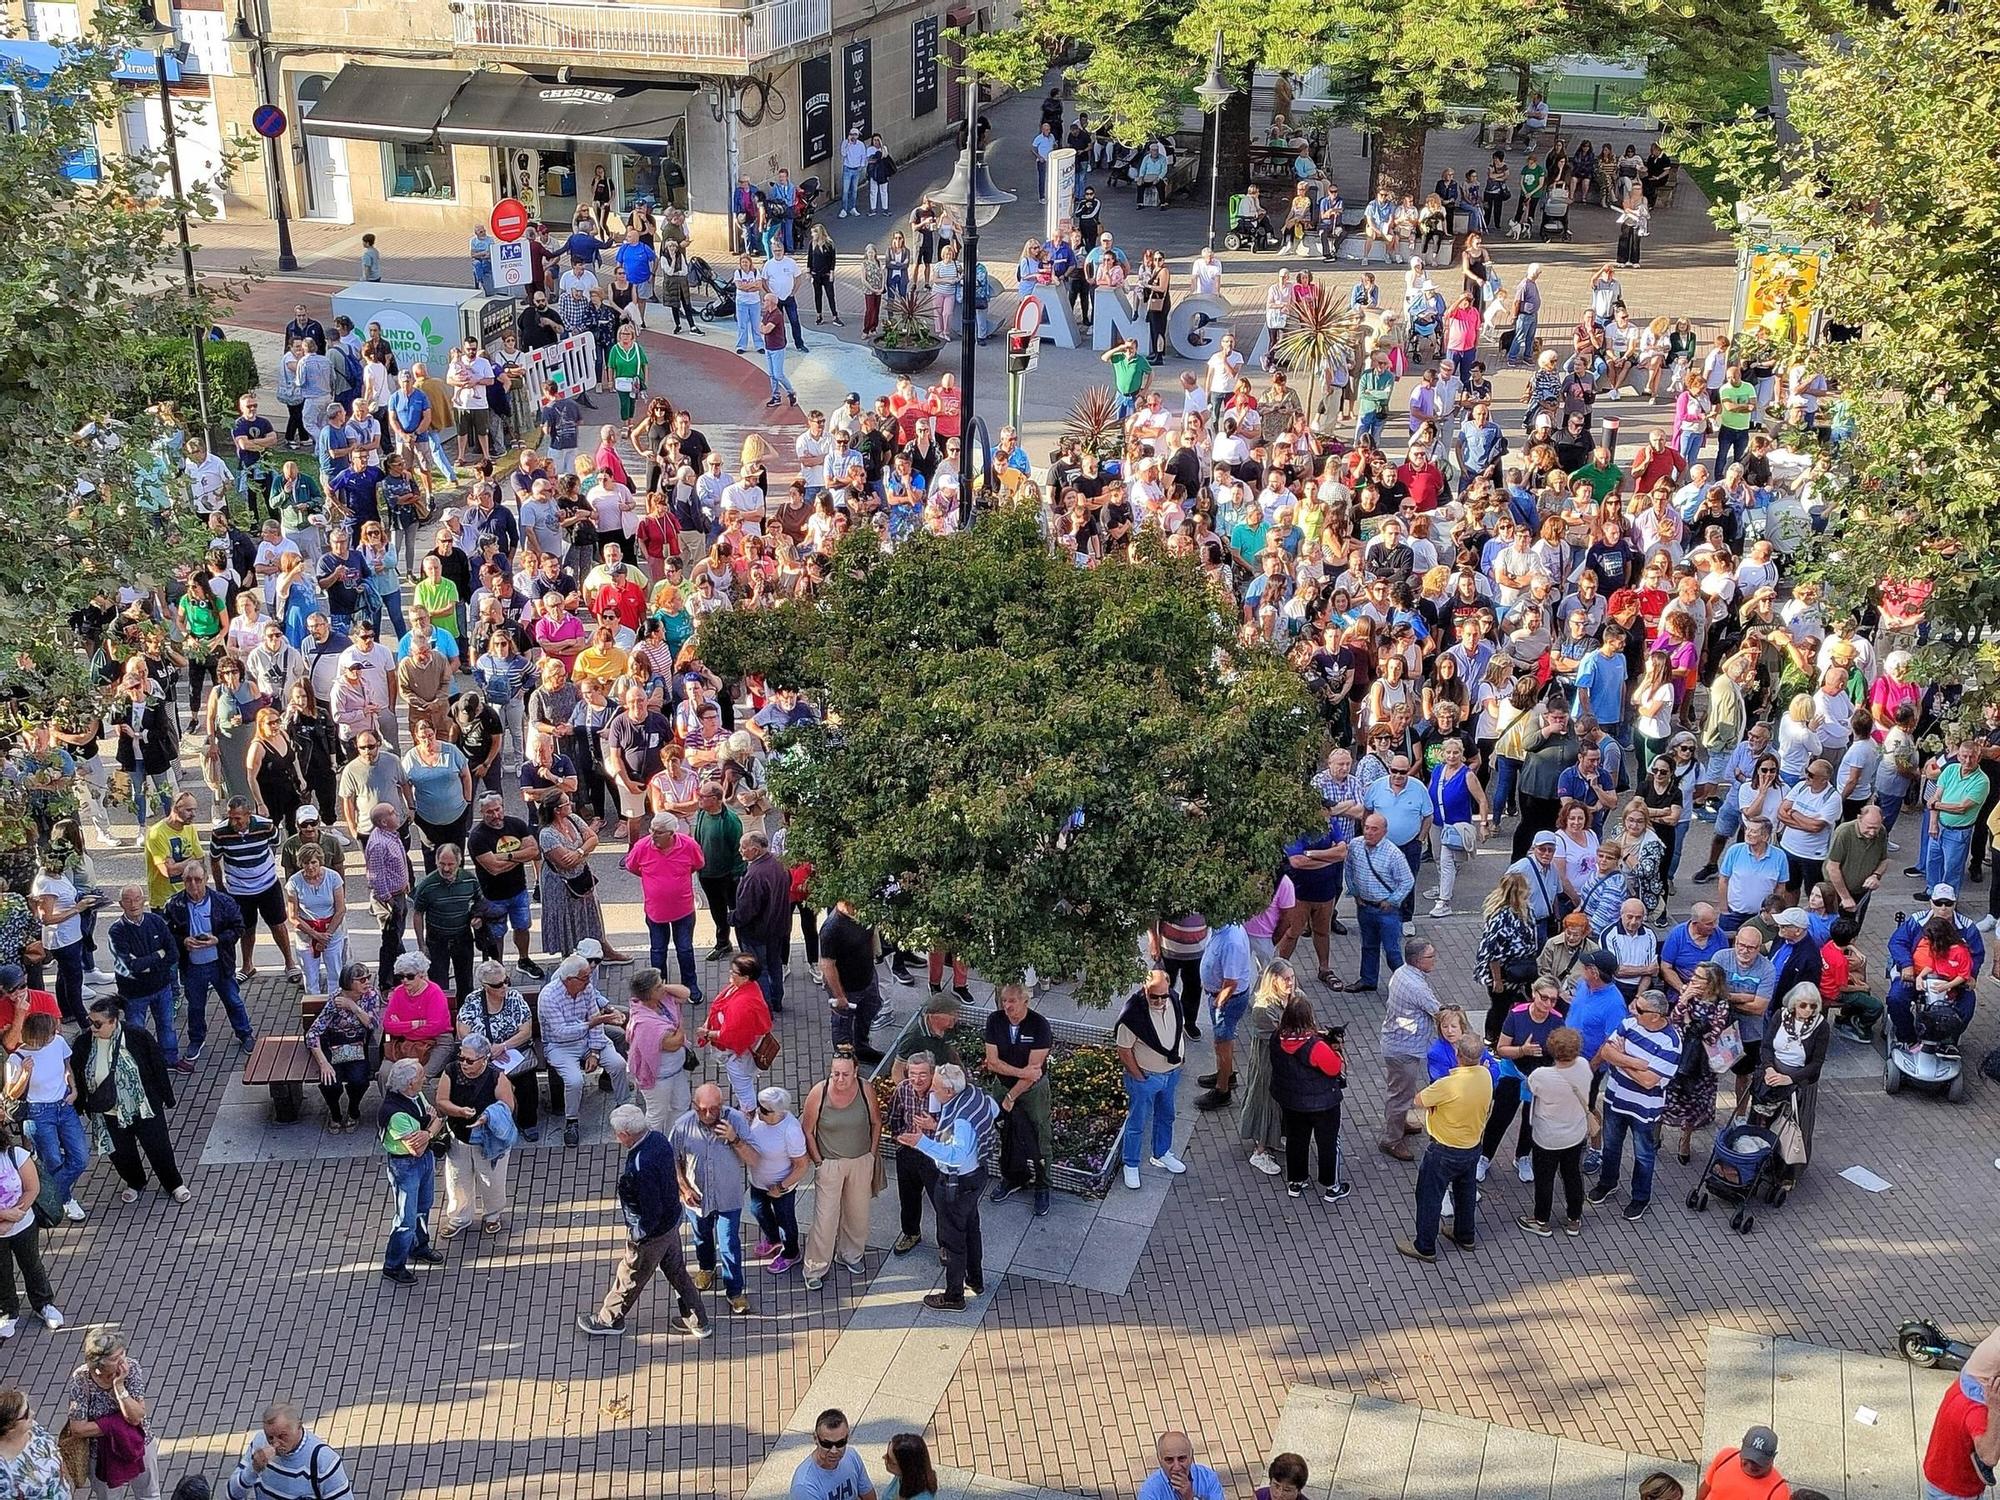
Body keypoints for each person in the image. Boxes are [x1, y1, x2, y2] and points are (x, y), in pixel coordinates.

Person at [577, 1103, 712, 1339]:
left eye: (617, 1133)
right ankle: (698, 1321)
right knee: (677, 1272)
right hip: (671, 1221)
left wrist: (638, 1235)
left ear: (625, 1134)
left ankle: (609, 1319)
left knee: (630, 1274)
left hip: (652, 1234)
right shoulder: (658, 1140)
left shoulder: (640, 1166)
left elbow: (651, 1211)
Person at [75, 999, 187, 1207]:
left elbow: (157, 1067)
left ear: (113, 1021)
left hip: (142, 1107)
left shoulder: (137, 1036)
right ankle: (135, 1182)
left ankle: (174, 1183)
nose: (92, 1028)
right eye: (90, 1022)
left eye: (98, 1023)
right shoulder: (83, 1043)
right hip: (108, 1112)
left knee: (158, 1147)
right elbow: (78, 1074)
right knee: (121, 1153)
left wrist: (166, 1098)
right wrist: (81, 1104)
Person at [1397, 1030, 1494, 1261]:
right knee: (1466, 1192)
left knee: (1429, 1196)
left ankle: (1425, 1246)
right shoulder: (1485, 1075)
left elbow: (1418, 1100)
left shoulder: (1448, 1085)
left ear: (1458, 1055)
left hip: (1444, 1150)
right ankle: (1465, 1235)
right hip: (1472, 1146)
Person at [1588, 988, 1683, 1221]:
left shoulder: (1671, 1043)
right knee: (1611, 1146)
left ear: (1656, 1016)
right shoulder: (1629, 1024)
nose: (1633, 1011)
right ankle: (1607, 1183)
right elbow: (1606, 1051)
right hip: (1615, 1098)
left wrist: (1622, 1060)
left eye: (1639, 1009)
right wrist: (1636, 1063)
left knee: (1643, 1154)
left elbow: (1649, 1081)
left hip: (1644, 1108)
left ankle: (1640, 1197)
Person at [669, 1082, 759, 1316]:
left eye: (714, 1109)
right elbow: (673, 1161)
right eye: (703, 1110)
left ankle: (735, 1291)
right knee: (701, 1237)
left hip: (728, 1197)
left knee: (729, 1243)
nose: (709, 1115)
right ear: (694, 1106)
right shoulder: (682, 1126)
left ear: (723, 1104)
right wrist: (684, 1189)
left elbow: (754, 1159)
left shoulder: (736, 1120)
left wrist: (734, 1139)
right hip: (696, 1198)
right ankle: (706, 1268)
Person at [800, 1048, 880, 1290]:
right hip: (830, 1164)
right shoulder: (819, 1092)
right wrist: (819, 1162)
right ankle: (815, 1267)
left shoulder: (866, 1089)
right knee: (825, 1219)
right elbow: (807, 1130)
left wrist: (871, 1155)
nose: (840, 1079)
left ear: (855, 1072)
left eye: (845, 1074)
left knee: (858, 1215)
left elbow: (876, 1122)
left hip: (860, 1161)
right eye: (835, 1073)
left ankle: (850, 1255)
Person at [537, 955, 630, 1147]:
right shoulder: (548, 997)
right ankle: (571, 1121)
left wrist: (594, 1052)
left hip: (588, 1039)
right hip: (560, 1046)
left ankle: (624, 1106)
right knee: (574, 1080)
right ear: (569, 979)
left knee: (618, 1064)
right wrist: (592, 1023)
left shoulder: (586, 988)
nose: (589, 981)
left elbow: (595, 1020)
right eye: (585, 977)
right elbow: (561, 1032)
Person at [61, 1328, 161, 1500]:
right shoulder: (81, 1379)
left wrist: (119, 1386)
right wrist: (117, 1424)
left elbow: (136, 1417)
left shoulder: (131, 1368)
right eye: (115, 1358)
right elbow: (78, 1429)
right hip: (102, 1454)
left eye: (123, 1353)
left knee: (149, 1495)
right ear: (98, 1364)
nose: (122, 1361)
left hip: (138, 1443)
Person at [1269, 994, 1349, 1202]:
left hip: (1291, 1102)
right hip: (1323, 1105)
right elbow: (1334, 1068)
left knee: (1296, 1139)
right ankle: (1332, 1186)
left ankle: (1296, 1182)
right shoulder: (1316, 1047)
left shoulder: (1277, 1038)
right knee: (1328, 1143)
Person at [983, 982, 1053, 1215]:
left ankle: (1042, 1184)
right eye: (1004, 1001)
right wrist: (1020, 1073)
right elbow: (992, 1063)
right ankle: (1012, 1178)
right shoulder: (995, 1021)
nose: (1007, 1006)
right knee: (1006, 1133)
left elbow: (1035, 1072)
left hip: (1032, 1091)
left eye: (1012, 1001)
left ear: (1026, 1001)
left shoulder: (1039, 1025)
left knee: (1039, 1134)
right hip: (1002, 1086)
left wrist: (1012, 1095)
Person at [377, 1056, 448, 1284]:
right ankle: (393, 1265)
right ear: (409, 1083)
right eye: (420, 1076)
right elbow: (417, 1148)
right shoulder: (395, 1114)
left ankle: (419, 1246)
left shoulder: (415, 1095)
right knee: (405, 1219)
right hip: (405, 1166)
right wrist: (431, 1130)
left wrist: (427, 1132)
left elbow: (435, 1116)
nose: (424, 1079)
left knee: (424, 1206)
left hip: (424, 1160)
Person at [1114, 969, 1186, 1190]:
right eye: (1154, 996)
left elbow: (1178, 1029)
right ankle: (1131, 1164)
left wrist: (1181, 1058)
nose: (1160, 1001)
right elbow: (1124, 1050)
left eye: (1164, 995)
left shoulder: (1173, 999)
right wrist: (1139, 1076)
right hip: (1146, 1077)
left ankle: (1162, 1153)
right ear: (1145, 990)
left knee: (1167, 1115)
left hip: (1171, 1073)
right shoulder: (1132, 1015)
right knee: (1137, 1121)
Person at [1378, 937, 1442, 1159]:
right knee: (1400, 1096)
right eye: (1430, 956)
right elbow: (1438, 1012)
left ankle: (1400, 1122)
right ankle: (1391, 1140)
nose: (1434, 959)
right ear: (1417, 960)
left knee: (1400, 1091)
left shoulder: (1402, 973)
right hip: (1404, 1049)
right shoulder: (1417, 987)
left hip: (1396, 1042)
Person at [0, 1118, 62, 1337]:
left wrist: (12, 1219)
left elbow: (32, 1188)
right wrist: (3, 1215)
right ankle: (7, 1312)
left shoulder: (15, 1155)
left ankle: (43, 1304)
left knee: (32, 1264)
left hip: (23, 1225)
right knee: (1, 1272)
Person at [307, 963, 382, 1133]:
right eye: (361, 979)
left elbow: (373, 1024)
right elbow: (313, 1033)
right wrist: (323, 1063)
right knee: (330, 1083)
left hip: (357, 1044)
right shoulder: (336, 1000)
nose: (367, 982)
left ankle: (354, 1110)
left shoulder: (371, 996)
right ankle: (335, 1113)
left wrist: (353, 1007)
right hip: (334, 1044)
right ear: (349, 982)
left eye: (368, 977)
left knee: (359, 1081)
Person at [225, 1402, 353, 1500]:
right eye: (270, 1437)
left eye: (282, 1436)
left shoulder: (324, 1460)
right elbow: (232, 1494)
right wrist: (253, 1470)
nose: (275, 1444)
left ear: (299, 1427)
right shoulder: (259, 1443)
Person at [789, 1410, 877, 1500]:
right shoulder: (804, 1487)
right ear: (815, 1438)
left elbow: (869, 1496)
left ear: (847, 1437)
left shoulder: (851, 1455)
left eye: (840, 1443)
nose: (834, 1451)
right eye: (827, 1444)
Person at [1694, 1428, 1788, 1500]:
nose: (1750, 1466)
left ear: (1773, 1457)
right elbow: (1706, 1486)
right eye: (1748, 1458)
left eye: (1758, 1462)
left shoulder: (1778, 1492)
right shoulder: (1726, 1456)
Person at [1136, 1431, 1227, 1500]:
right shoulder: (1150, 1491)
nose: (1177, 1467)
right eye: (1169, 1460)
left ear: (1191, 1456)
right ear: (1160, 1460)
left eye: (1182, 1458)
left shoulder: (1207, 1478)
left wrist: (1190, 1498)